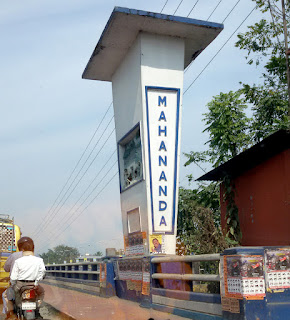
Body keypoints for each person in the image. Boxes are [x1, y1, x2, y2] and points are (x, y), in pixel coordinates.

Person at [10, 237, 45, 319]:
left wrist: (13, 284)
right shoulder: (39, 260)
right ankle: (37, 308)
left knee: (13, 294)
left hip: (20, 285)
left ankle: (16, 309)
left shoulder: (18, 261)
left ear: (22, 250)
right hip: (33, 284)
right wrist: (37, 281)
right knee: (42, 292)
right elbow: (42, 272)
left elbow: (13, 277)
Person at [2, 239, 25, 319]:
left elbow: (6, 268)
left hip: (16, 284)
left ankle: (9, 312)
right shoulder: (34, 257)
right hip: (31, 284)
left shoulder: (14, 255)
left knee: (5, 295)